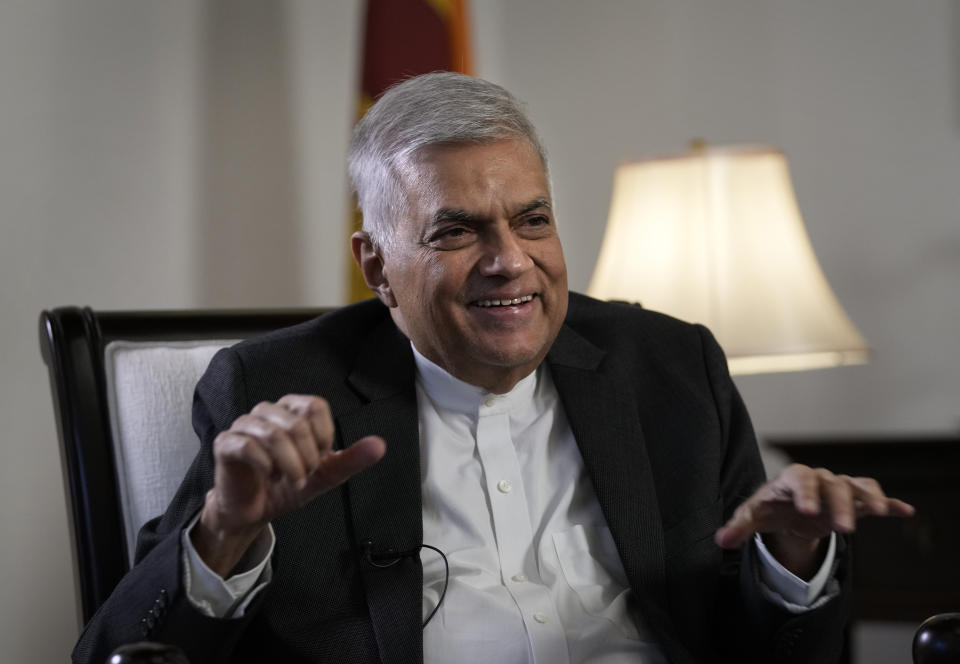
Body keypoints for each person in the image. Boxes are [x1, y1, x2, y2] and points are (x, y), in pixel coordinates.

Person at [73, 72, 913, 664]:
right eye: (457, 231)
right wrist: (226, 532)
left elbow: (770, 650)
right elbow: (121, 657)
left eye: (532, 219)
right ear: (375, 265)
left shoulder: (670, 367)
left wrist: (793, 562)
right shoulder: (275, 386)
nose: (510, 262)